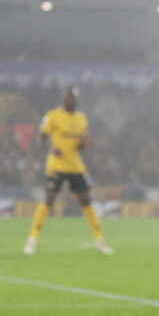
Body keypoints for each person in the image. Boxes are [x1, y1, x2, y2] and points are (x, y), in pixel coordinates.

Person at [23, 86, 113, 255]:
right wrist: (50, 148)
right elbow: (40, 139)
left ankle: (100, 240)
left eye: (73, 98)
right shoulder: (53, 116)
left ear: (76, 100)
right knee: (48, 200)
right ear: (63, 99)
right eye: (68, 97)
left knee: (86, 200)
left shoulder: (81, 119)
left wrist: (84, 145)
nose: (70, 100)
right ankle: (32, 240)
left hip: (75, 165)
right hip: (56, 165)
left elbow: (77, 145)